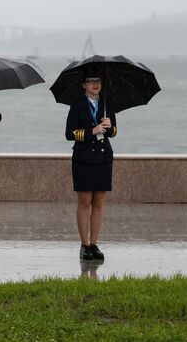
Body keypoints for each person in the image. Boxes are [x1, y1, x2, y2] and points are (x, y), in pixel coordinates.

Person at [65, 75, 117, 261]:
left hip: (103, 157)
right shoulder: (77, 104)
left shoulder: (106, 103)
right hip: (84, 157)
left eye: (98, 81)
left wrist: (110, 127)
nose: (95, 85)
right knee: (85, 202)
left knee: (99, 203)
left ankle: (94, 244)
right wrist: (91, 132)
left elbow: (114, 131)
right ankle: (84, 245)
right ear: (84, 85)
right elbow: (69, 133)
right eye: (91, 81)